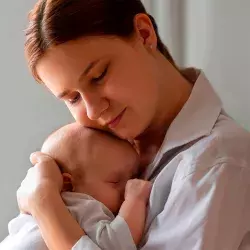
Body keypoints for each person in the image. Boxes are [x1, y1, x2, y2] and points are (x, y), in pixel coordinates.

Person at [16, 0, 250, 249]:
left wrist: (45, 204)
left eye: (99, 76)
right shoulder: (90, 152)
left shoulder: (217, 164)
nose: (94, 110)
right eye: (73, 99)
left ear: (144, 33)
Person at [1, 124, 151, 250]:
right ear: (68, 184)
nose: (129, 186)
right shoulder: (80, 204)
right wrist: (135, 200)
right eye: (115, 181)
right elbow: (114, 244)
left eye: (133, 176)